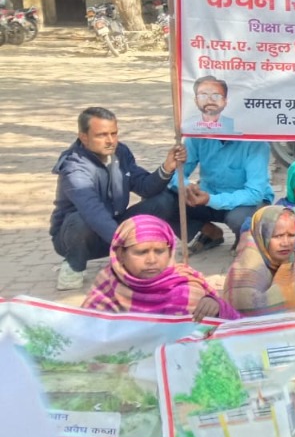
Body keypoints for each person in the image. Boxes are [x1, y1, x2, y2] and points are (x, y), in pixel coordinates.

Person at [50, 107, 184, 290]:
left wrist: (168, 167)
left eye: (114, 133)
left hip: (113, 227)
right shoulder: (74, 169)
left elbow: (145, 187)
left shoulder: (120, 152)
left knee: (164, 200)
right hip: (79, 237)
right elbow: (93, 213)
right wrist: (128, 246)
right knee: (81, 219)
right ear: (83, 137)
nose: (110, 141)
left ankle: (146, 253)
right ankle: (74, 265)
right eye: (102, 135)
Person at [82, 215, 236, 320]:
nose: (151, 260)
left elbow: (234, 330)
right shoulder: (107, 284)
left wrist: (217, 308)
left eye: (160, 251)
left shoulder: (187, 286)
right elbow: (81, 334)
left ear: (170, 252)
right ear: (121, 254)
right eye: (141, 252)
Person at [139, 135, 273, 253]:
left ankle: (245, 237)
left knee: (239, 220)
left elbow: (254, 193)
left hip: (245, 203)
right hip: (206, 195)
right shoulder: (198, 135)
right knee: (156, 198)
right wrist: (186, 187)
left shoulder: (256, 143)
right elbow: (176, 172)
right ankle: (209, 232)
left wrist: (210, 199)